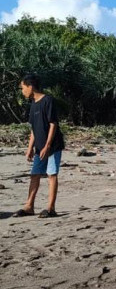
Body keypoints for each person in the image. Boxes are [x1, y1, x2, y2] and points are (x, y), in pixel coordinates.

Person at [14, 74, 65, 219]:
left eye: (22, 88)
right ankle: (29, 206)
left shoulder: (48, 100)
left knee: (51, 174)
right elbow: (34, 129)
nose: (22, 91)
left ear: (30, 87)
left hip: (52, 146)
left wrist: (47, 146)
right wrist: (30, 147)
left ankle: (51, 208)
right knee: (35, 175)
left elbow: (53, 124)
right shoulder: (33, 105)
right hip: (39, 148)